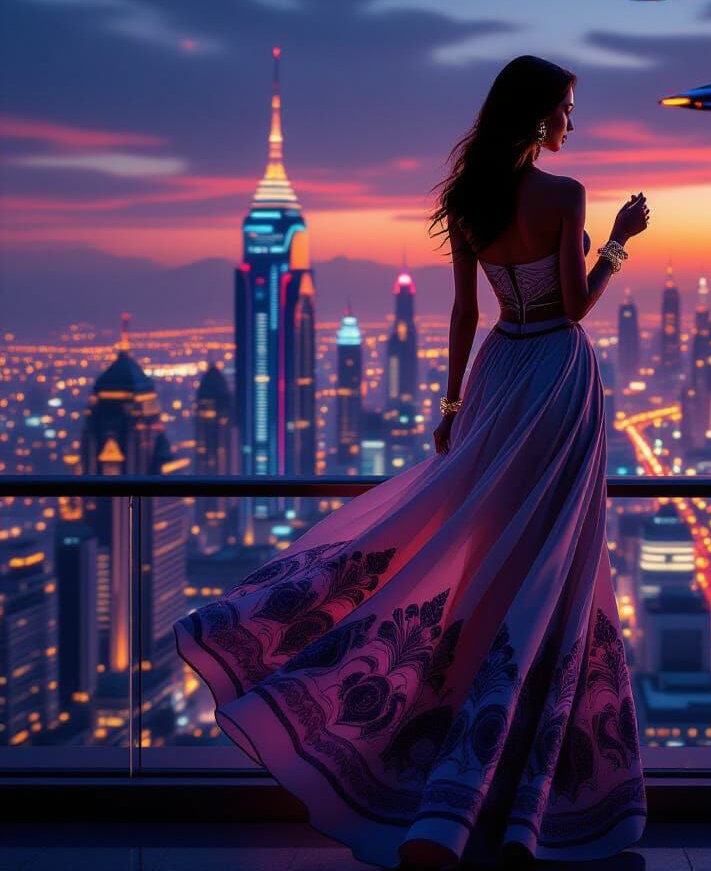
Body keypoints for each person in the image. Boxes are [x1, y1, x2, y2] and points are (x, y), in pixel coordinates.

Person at [173, 55, 651, 870]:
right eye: (566, 109)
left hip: (500, 372)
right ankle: (522, 777)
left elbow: (465, 312)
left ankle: (452, 756)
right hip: (557, 378)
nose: (572, 124)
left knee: (490, 551)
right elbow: (573, 306)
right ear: (537, 114)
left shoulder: (469, 199)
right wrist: (616, 244)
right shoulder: (566, 195)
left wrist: (454, 409)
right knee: (553, 564)